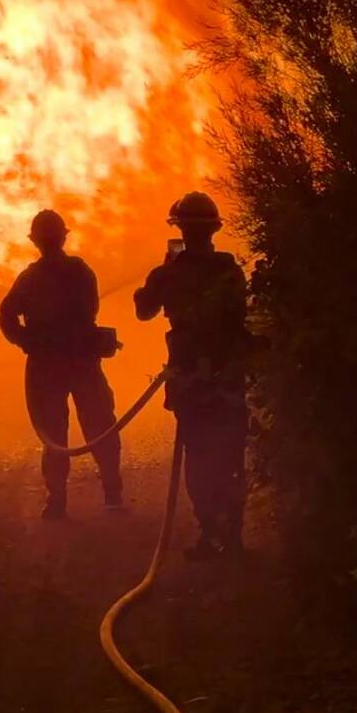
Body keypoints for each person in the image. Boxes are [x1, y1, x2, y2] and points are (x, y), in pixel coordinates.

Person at [134, 192, 248, 559]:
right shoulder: (229, 270)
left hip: (189, 381)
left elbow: (143, 311)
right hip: (227, 377)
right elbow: (240, 316)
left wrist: (163, 271)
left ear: (180, 229)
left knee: (198, 456)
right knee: (231, 456)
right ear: (214, 230)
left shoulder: (168, 273)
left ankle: (209, 533)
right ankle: (233, 536)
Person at [0, 209, 122, 519]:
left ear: (35, 242)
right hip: (77, 362)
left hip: (54, 365)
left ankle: (59, 500)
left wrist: (27, 340)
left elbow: (6, 316)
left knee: (59, 433)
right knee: (94, 425)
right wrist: (28, 340)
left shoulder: (31, 279)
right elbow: (90, 308)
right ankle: (109, 492)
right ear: (63, 238)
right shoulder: (79, 272)